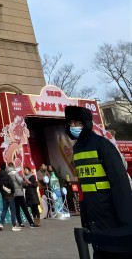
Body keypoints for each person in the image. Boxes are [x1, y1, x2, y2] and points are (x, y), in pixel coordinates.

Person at [65, 105, 132, 259]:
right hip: (95, 218)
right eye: (71, 123)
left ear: (86, 123)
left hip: (112, 215)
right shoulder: (77, 149)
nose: (73, 126)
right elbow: (85, 187)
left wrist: (127, 222)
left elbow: (120, 185)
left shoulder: (102, 145)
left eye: (77, 123)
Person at [8, 162, 35, 228]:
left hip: (13, 194)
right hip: (19, 193)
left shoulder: (8, 175)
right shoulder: (15, 173)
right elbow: (20, 181)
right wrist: (24, 182)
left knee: (17, 210)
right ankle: (31, 223)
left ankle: (20, 223)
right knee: (25, 209)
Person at [0, 163, 18, 231]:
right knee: (13, 210)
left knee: (4, 210)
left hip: (4, 195)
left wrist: (2, 191)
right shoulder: (7, 175)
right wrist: (12, 191)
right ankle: (14, 225)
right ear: (5, 168)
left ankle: (1, 224)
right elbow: (11, 184)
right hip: (10, 195)